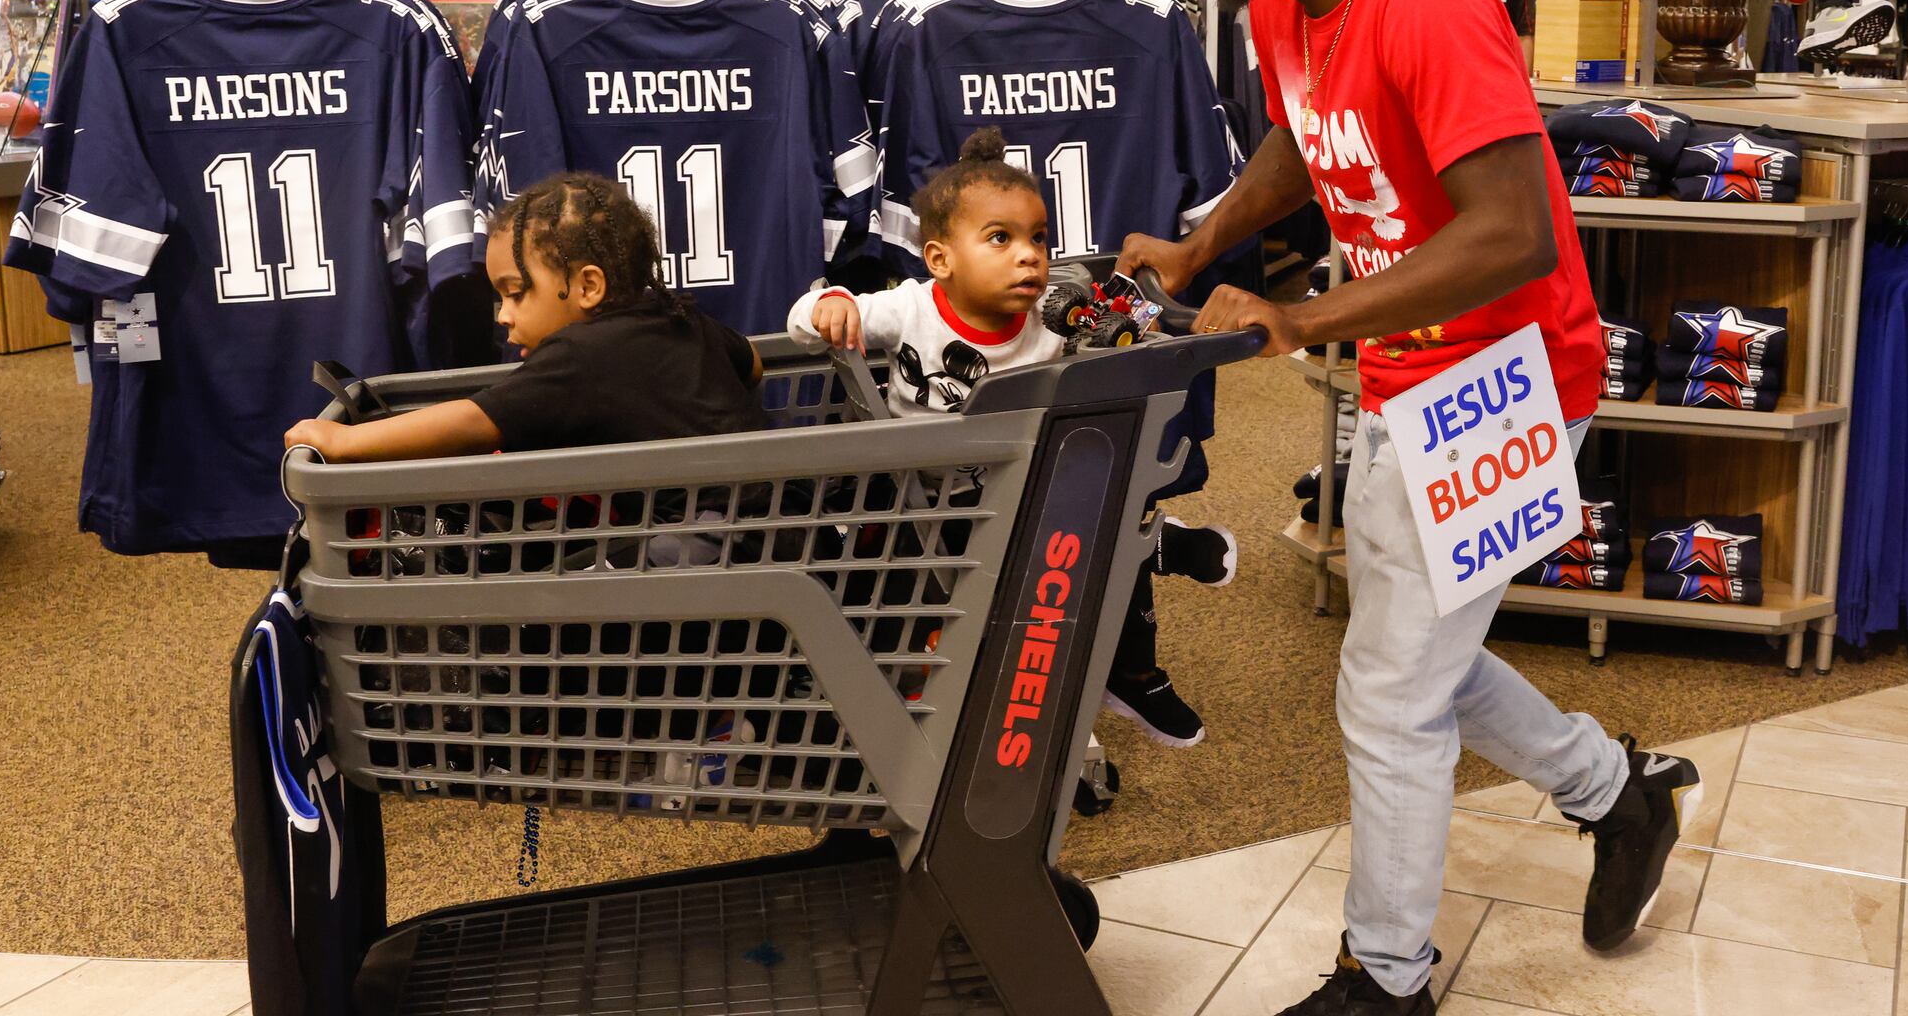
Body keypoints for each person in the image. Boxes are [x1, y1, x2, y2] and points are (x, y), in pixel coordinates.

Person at [1120, 0, 1698, 1016]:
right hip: (1407, 366)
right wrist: (1205, 239)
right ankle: (1618, 794)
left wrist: (1301, 313)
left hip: (1508, 374)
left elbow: (1512, 235)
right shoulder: (1281, 0)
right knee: (1418, 653)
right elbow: (1306, 135)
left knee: (1389, 683)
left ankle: (1387, 985)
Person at [790, 128, 1213, 748]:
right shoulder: (911, 308)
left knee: (1096, 477)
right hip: (928, 501)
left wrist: (1125, 334)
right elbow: (803, 321)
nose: (1029, 255)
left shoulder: (1050, 325)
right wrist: (828, 304)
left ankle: (1131, 654)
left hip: (1026, 496)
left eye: (1038, 237)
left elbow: (1117, 343)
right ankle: (1152, 548)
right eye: (1001, 239)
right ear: (940, 259)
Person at [282, 171, 767, 462]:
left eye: (515, 294)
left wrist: (345, 441)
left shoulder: (582, 355)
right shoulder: (672, 313)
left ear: (588, 286)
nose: (503, 317)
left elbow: (475, 420)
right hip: (772, 522)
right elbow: (752, 365)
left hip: (708, 548)